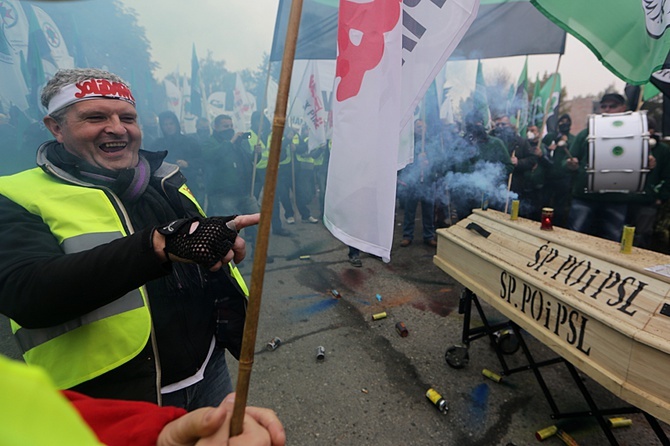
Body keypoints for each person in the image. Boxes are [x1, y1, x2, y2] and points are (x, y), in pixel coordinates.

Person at [0, 68, 256, 411]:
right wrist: (158, 247)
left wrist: (214, 238)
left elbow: (187, 245)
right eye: (95, 117)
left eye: (128, 118)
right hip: (113, 399)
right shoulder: (16, 194)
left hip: (210, 372)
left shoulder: (163, 177)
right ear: (56, 128)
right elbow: (26, 292)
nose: (118, 128)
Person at [1, 354, 286, 446]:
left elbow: (54, 419)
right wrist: (154, 247)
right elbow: (25, 284)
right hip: (123, 376)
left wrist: (157, 434)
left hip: (206, 363)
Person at [565, 93, 649, 241]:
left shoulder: (636, 135)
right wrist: (571, 164)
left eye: (613, 106)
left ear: (623, 108)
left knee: (612, 241)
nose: (607, 109)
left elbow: (643, 163)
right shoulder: (586, 133)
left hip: (617, 198)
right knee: (575, 237)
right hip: (585, 197)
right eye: (604, 106)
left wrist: (649, 162)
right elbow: (567, 159)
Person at [203, 114, 260, 248]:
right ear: (216, 127)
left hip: (244, 191)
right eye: (225, 126)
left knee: (258, 222)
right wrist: (230, 142)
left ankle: (259, 253)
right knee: (229, 228)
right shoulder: (209, 142)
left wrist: (257, 153)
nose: (229, 129)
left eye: (231, 126)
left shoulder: (238, 143)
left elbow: (247, 161)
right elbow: (211, 157)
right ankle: (231, 257)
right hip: (224, 194)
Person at [150, 110, 205, 202]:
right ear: (161, 127)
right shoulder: (157, 144)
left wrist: (188, 164)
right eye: (165, 124)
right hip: (166, 186)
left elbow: (202, 160)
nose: (169, 127)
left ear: (176, 124)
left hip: (190, 183)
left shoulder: (190, 142)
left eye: (171, 123)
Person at [398, 119, 437, 247]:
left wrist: (428, 162)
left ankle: (429, 235)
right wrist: (416, 160)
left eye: (422, 126)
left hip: (427, 182)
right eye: (418, 126)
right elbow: (405, 162)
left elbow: (438, 161)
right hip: (413, 183)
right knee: (409, 211)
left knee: (428, 211)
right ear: (414, 128)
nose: (420, 129)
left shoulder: (431, 142)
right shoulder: (409, 144)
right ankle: (407, 235)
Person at [490, 114, 537, 206]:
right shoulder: (491, 140)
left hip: (513, 184)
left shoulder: (520, 142)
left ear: (510, 125)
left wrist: (519, 162)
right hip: (494, 183)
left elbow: (532, 159)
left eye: (503, 124)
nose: (500, 127)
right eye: (497, 125)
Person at [540, 113, 575, 227]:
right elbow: (541, 149)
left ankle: (558, 225)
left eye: (566, 122)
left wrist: (566, 143)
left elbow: (574, 155)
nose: (563, 124)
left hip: (564, 177)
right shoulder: (550, 136)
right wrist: (547, 148)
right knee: (545, 203)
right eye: (561, 121)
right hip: (548, 175)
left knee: (560, 206)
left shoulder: (572, 139)